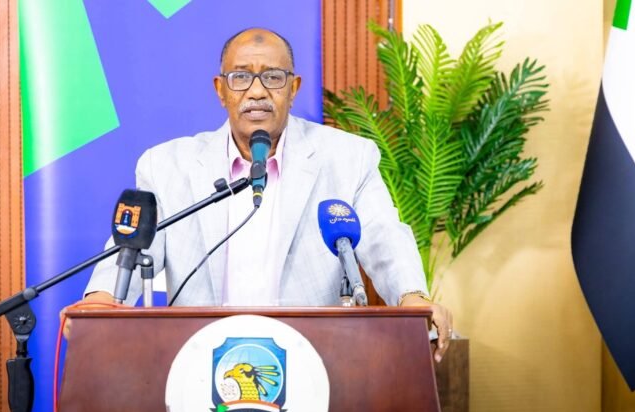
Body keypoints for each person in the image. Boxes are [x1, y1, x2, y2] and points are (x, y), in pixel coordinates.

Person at [75, 28, 453, 362]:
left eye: (273, 77)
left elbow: (384, 235)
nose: (257, 91)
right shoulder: (167, 166)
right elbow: (131, 249)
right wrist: (101, 299)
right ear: (221, 90)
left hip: (313, 359)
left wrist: (412, 296)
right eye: (241, 77)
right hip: (199, 361)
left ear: (293, 88)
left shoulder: (347, 157)